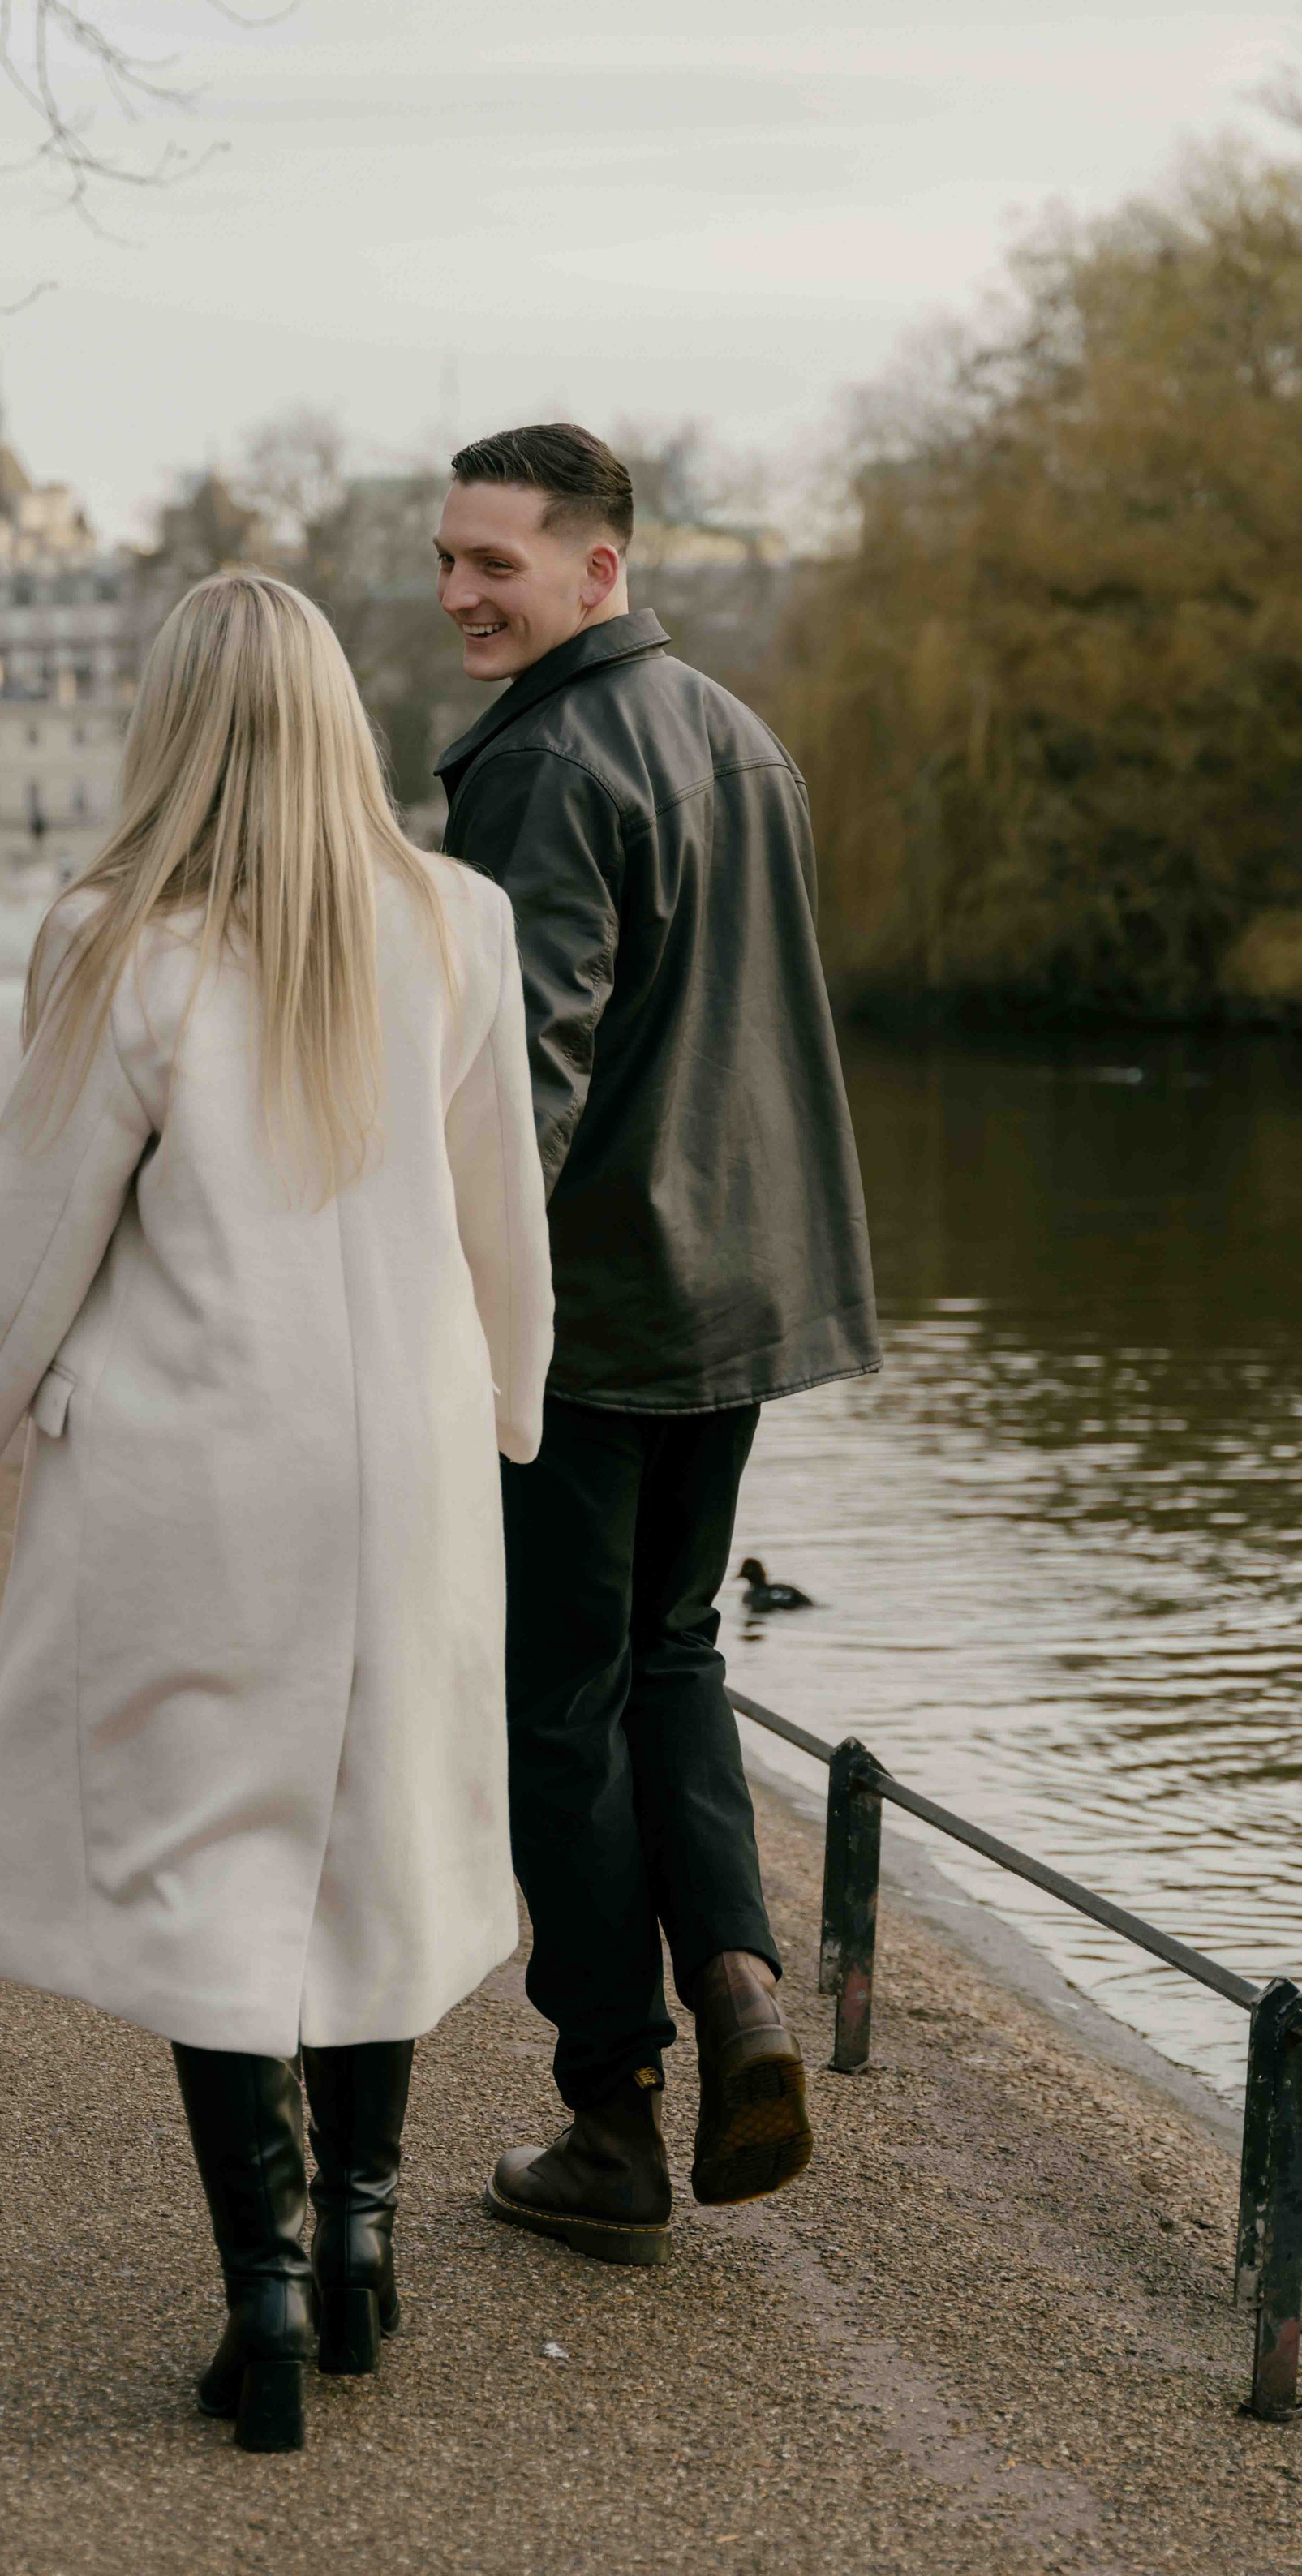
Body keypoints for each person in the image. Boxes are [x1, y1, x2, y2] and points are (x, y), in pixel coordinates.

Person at [0, 573, 553, 2451]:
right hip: (403, 1463)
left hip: (195, 1465)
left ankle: (262, 2292)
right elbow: (502, 1207)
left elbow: (36, 1227)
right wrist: (509, 1400)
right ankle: (359, 2242)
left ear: (167, 728)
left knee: (210, 1859)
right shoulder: (458, 922)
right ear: (337, 716)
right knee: (376, 1835)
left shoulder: (118, 942)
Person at [433, 422, 879, 2267]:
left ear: (596, 568)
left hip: (599, 1309)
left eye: (497, 564)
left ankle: (610, 2118)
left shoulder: (543, 759)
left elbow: (521, 1074)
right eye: (448, 559)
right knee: (673, 1653)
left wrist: (453, 1309)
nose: (461, 593)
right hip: (741, 1292)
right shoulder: (737, 732)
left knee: (558, 1705)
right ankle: (746, 1991)